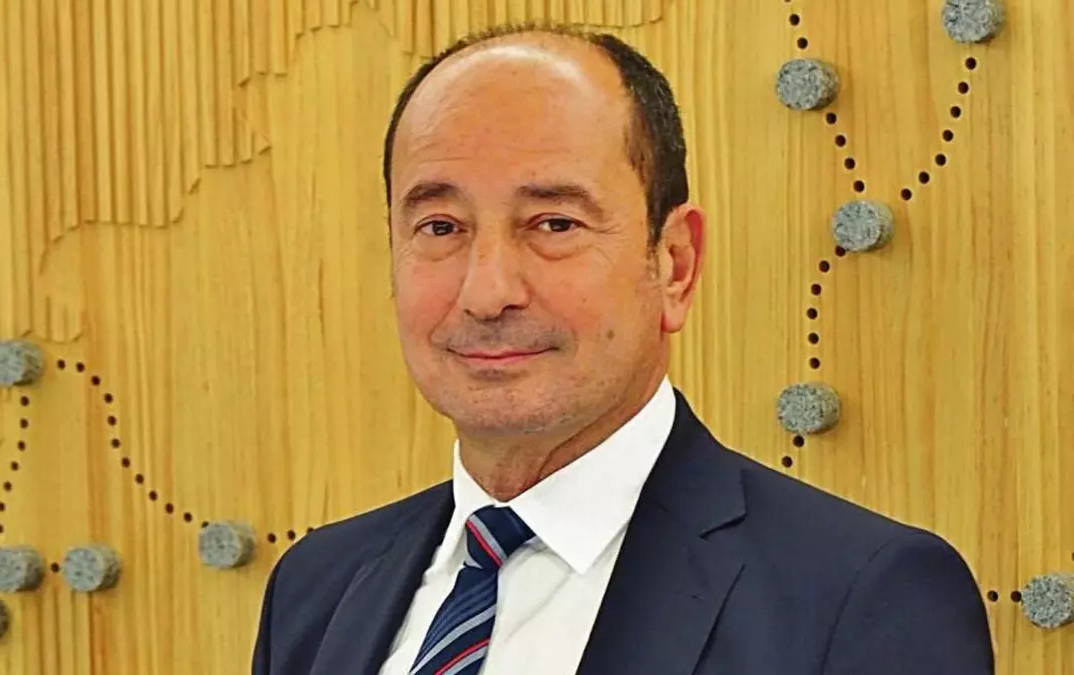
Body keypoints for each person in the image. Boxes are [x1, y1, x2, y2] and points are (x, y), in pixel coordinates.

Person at [251, 23, 994, 675]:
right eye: (440, 227)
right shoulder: (316, 588)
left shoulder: (859, 597)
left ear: (674, 264)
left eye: (554, 224)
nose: (487, 292)